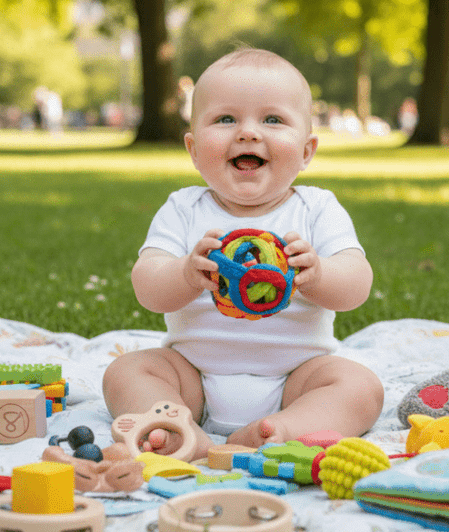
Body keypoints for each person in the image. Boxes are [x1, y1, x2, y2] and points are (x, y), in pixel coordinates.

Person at [102, 48, 383, 461]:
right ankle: (181, 429)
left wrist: (321, 274)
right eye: (225, 119)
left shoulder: (317, 208)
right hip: (191, 375)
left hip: (297, 377)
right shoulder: (183, 208)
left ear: (307, 151)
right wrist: (184, 273)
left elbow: (357, 284)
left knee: (361, 387)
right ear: (193, 149)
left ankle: (283, 430)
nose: (248, 133)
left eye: (272, 120)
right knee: (125, 372)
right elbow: (148, 287)